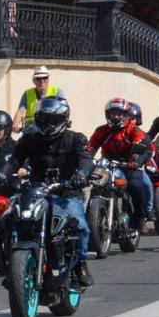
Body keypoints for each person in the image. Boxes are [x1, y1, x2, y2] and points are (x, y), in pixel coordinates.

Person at [9, 96, 94, 286]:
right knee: (9, 219)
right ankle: (11, 265)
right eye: (44, 120)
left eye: (53, 121)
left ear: (63, 119)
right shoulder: (29, 139)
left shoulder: (75, 139)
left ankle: (81, 263)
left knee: (80, 224)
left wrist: (81, 173)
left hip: (66, 192)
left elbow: (87, 160)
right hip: (36, 191)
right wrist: (1, 174)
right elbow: (14, 161)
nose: (48, 125)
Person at [87, 97, 154, 234]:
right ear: (108, 115)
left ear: (126, 115)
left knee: (136, 185)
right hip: (107, 164)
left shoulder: (133, 130)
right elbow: (91, 148)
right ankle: (92, 219)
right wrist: (86, 161)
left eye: (119, 113)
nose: (116, 116)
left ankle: (140, 218)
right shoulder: (102, 130)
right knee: (94, 185)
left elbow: (143, 146)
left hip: (129, 164)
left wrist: (136, 161)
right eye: (113, 113)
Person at [11, 66, 60, 134]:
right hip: (31, 132)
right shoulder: (27, 94)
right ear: (34, 80)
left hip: (50, 131)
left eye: (44, 78)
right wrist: (15, 124)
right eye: (38, 78)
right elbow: (21, 111)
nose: (42, 81)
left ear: (48, 79)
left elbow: (62, 109)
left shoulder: (57, 91)